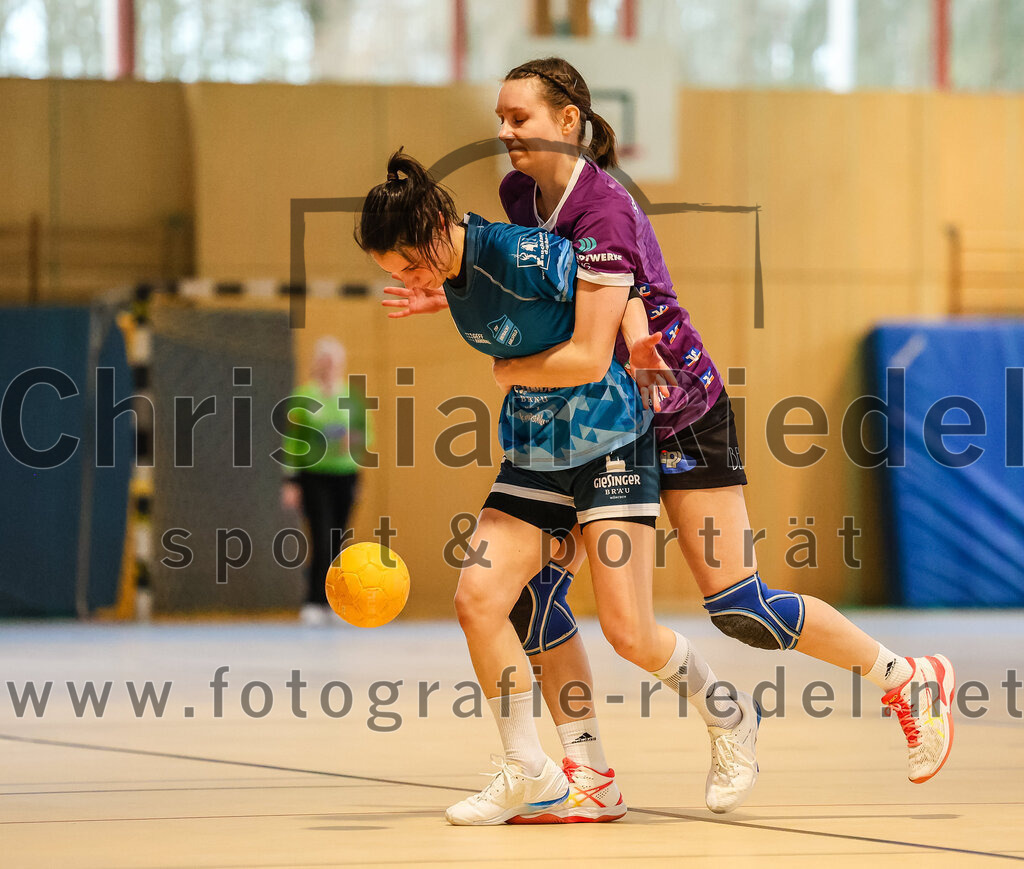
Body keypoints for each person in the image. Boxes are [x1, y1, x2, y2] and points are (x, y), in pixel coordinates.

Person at [384, 56, 955, 796]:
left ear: (568, 121)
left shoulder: (608, 209)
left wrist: (511, 370)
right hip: (603, 424)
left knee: (739, 606)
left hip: (680, 411)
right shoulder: (518, 195)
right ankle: (586, 772)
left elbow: (591, 345)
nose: (504, 131)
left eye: (517, 117)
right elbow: (539, 286)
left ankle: (906, 677)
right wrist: (451, 292)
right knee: (529, 596)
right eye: (499, 117)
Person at [359, 149, 759, 826]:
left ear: (432, 225)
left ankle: (730, 717)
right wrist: (441, 293)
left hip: (610, 441)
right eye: (395, 274)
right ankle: (533, 772)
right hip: (535, 452)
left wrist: (628, 344)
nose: (406, 277)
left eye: (408, 264)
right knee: (479, 597)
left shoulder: (521, 252)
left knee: (631, 633)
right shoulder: (455, 276)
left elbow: (620, 283)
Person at [281, 337, 371, 625]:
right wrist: (290, 481)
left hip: (345, 474)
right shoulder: (303, 396)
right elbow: (291, 440)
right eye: (325, 360)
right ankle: (313, 600)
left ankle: (335, 602)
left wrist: (353, 441)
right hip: (314, 474)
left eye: (335, 361)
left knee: (338, 538)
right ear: (317, 363)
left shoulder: (351, 397)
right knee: (320, 535)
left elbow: (366, 435)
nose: (330, 366)